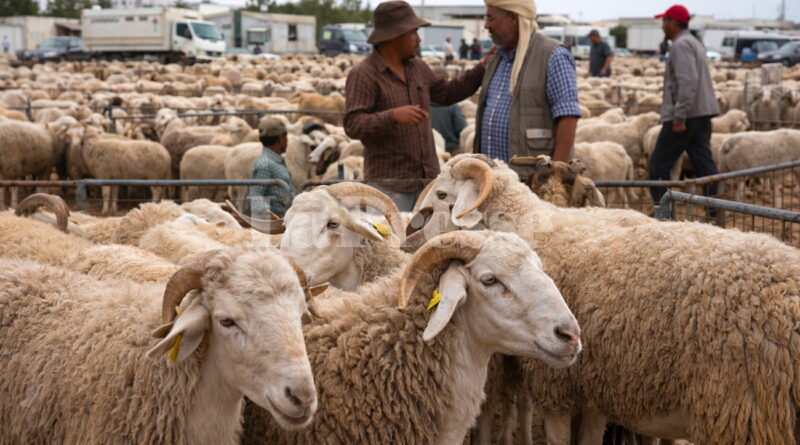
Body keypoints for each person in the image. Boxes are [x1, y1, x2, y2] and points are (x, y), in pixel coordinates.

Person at [344, 0, 492, 211]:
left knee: (427, 241)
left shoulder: (417, 68)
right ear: (395, 36)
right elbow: (352, 124)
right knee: (393, 243)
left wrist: (482, 68)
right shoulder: (365, 74)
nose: (418, 39)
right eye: (413, 32)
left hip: (427, 184)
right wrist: (392, 116)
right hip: (390, 187)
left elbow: (448, 93)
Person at [474, 0, 581, 179]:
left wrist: (555, 174)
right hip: (492, 179)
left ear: (514, 18)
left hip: (531, 179)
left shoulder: (552, 55)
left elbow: (568, 116)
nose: (486, 25)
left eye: (491, 18)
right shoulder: (497, 59)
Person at [649, 4, 720, 204]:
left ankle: (663, 212)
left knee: (658, 166)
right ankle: (715, 210)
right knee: (704, 164)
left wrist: (679, 116)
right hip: (701, 113)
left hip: (685, 117)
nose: (662, 26)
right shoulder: (695, 43)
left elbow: (687, 81)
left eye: (664, 21)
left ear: (672, 23)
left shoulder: (681, 45)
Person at [248, 117, 298, 218]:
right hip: (279, 225)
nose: (287, 140)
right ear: (280, 138)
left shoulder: (276, 161)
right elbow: (256, 197)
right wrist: (272, 225)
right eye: (285, 136)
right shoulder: (265, 164)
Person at [430, 67, 469, 153]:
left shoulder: (422, 106)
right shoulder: (453, 107)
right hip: (451, 150)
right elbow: (462, 130)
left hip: (430, 151)